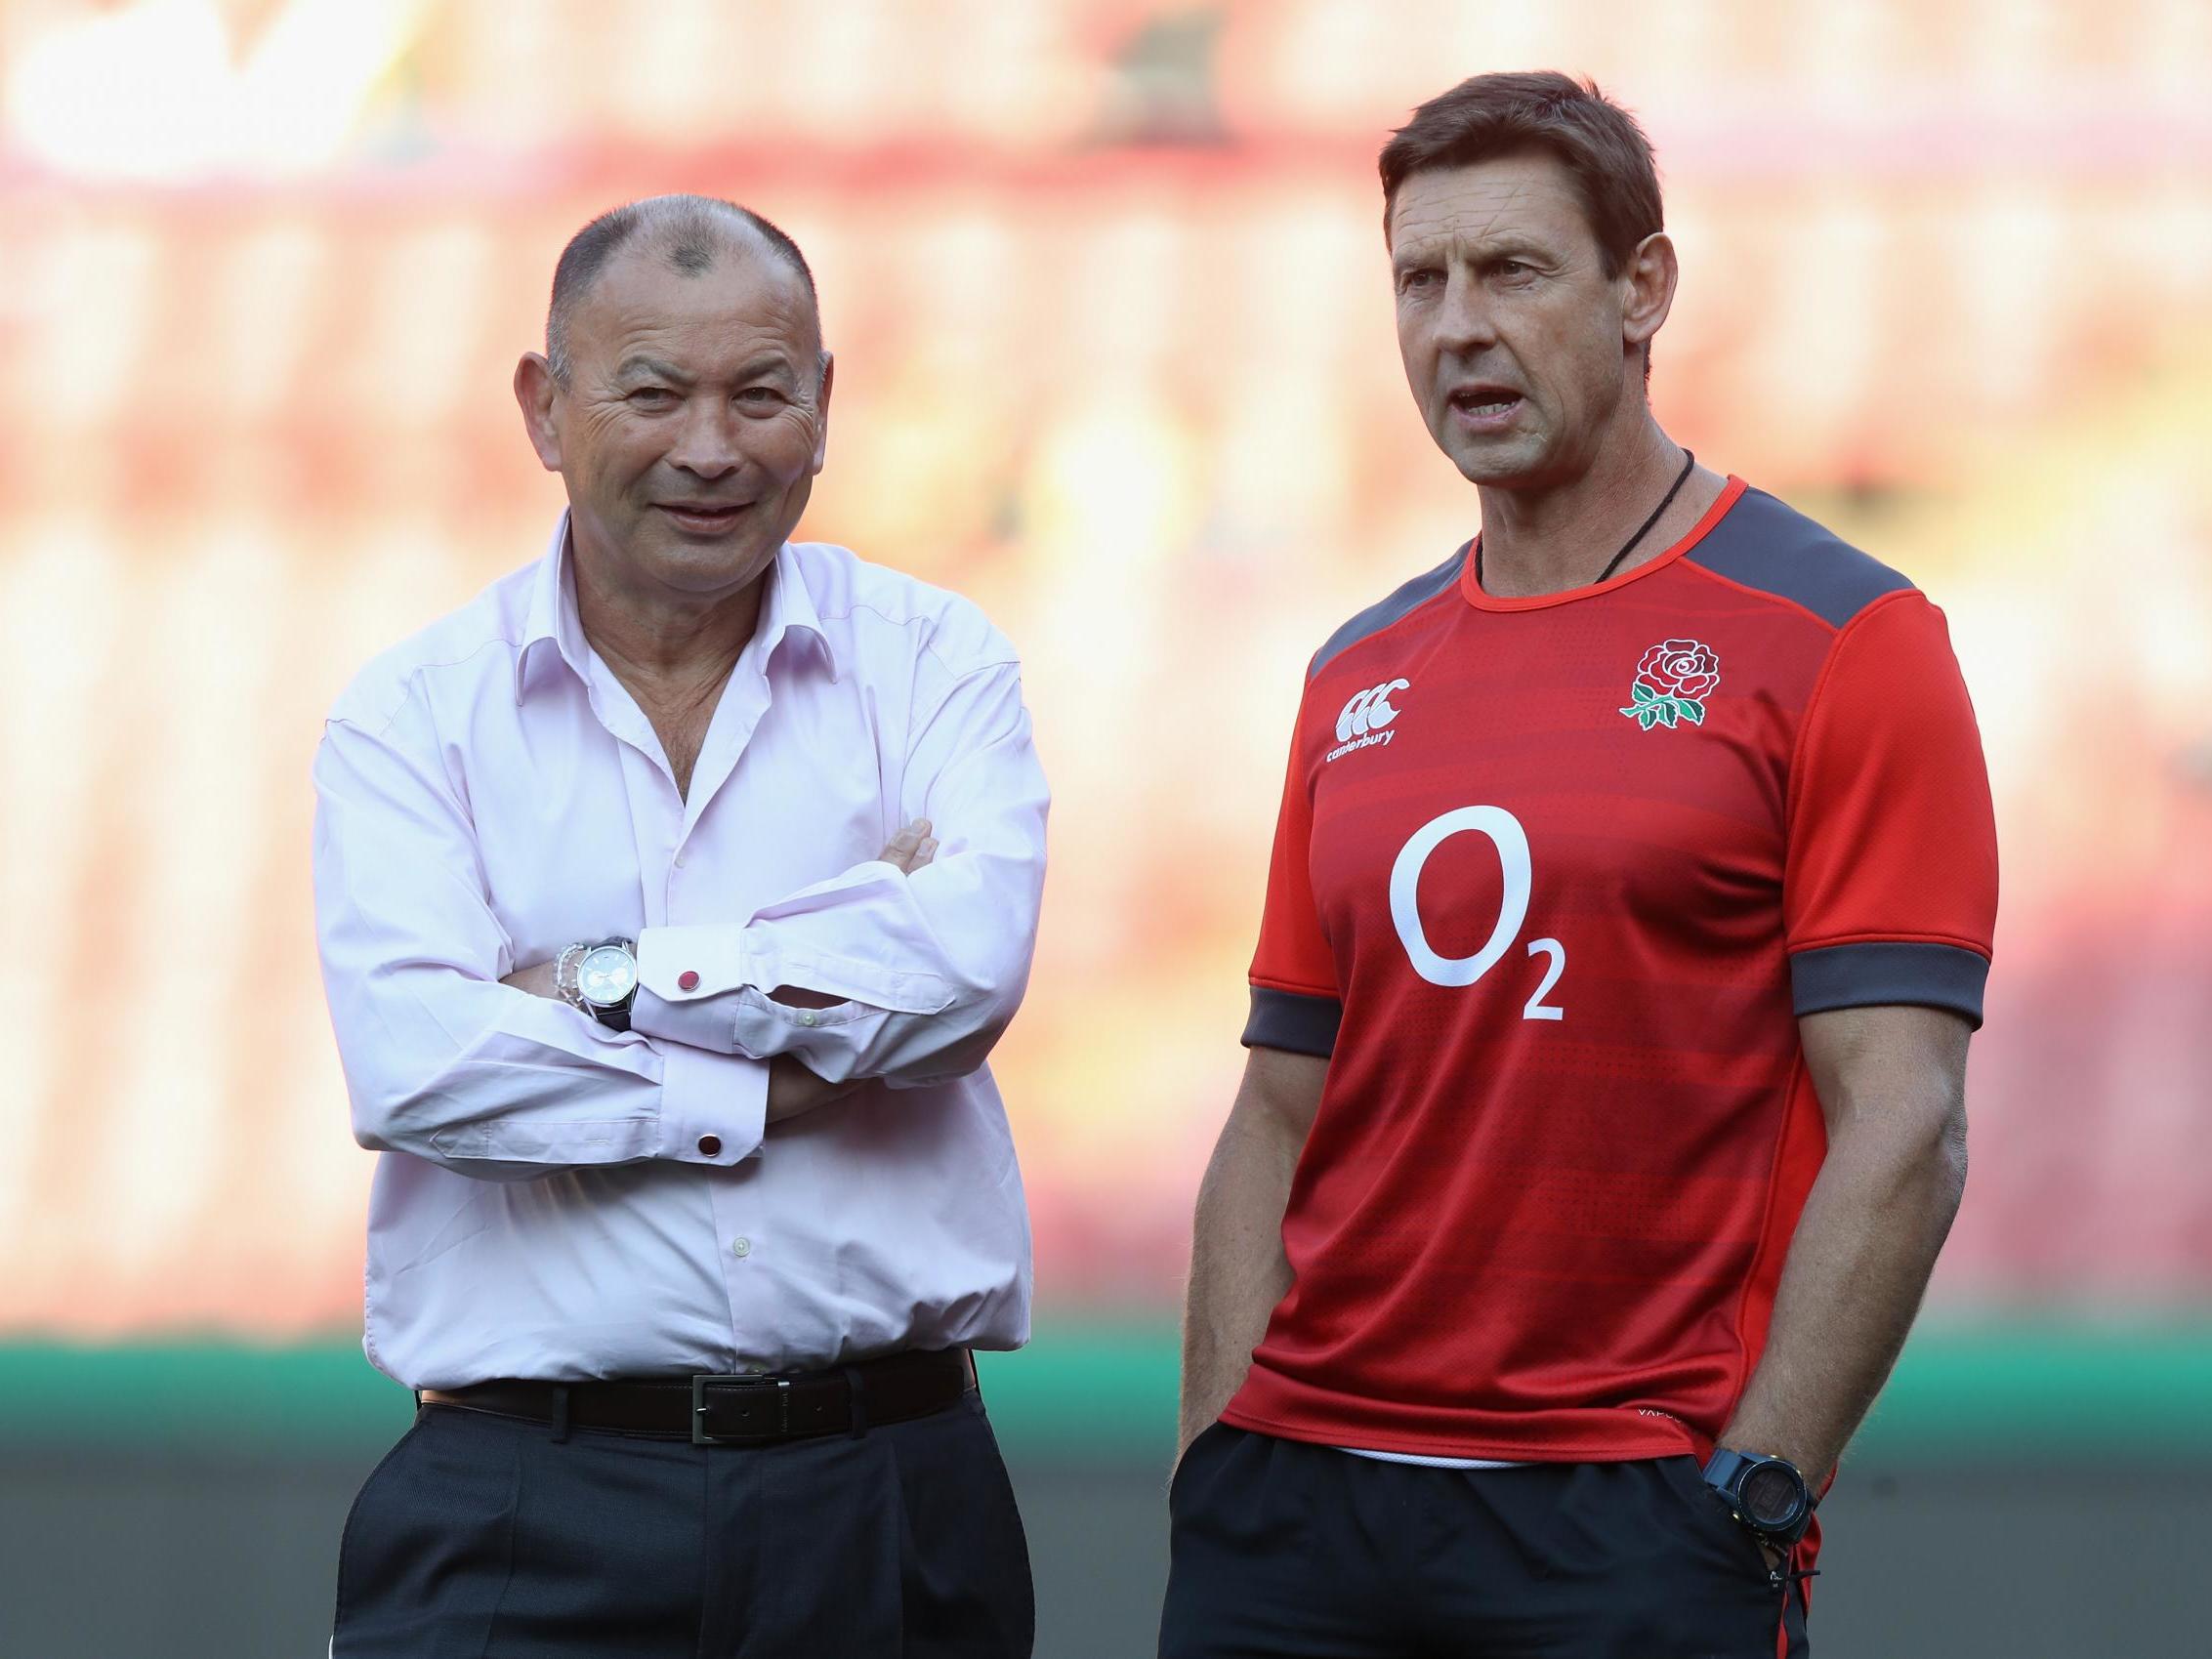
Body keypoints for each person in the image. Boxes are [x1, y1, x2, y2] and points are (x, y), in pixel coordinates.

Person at [1163, 72, 1997, 1659]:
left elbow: (1902, 1118)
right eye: (1420, 279)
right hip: (1295, 1517)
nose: (1457, 327)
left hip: (1629, 1518)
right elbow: (1279, 1102)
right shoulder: (1355, 672)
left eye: (1514, 271)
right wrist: (1217, 1456)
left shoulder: (1845, 640)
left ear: (1642, 291)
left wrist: (1756, 1489)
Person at [313, 194, 1045, 1657]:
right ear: (546, 408)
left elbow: (960, 975)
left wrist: (600, 982)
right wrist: (779, 1061)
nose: (711, 448)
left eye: (760, 393)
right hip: (524, 1500)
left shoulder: (933, 663)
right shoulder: (412, 719)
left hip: (886, 1490)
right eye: (652, 392)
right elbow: (421, 1069)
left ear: (825, 407)